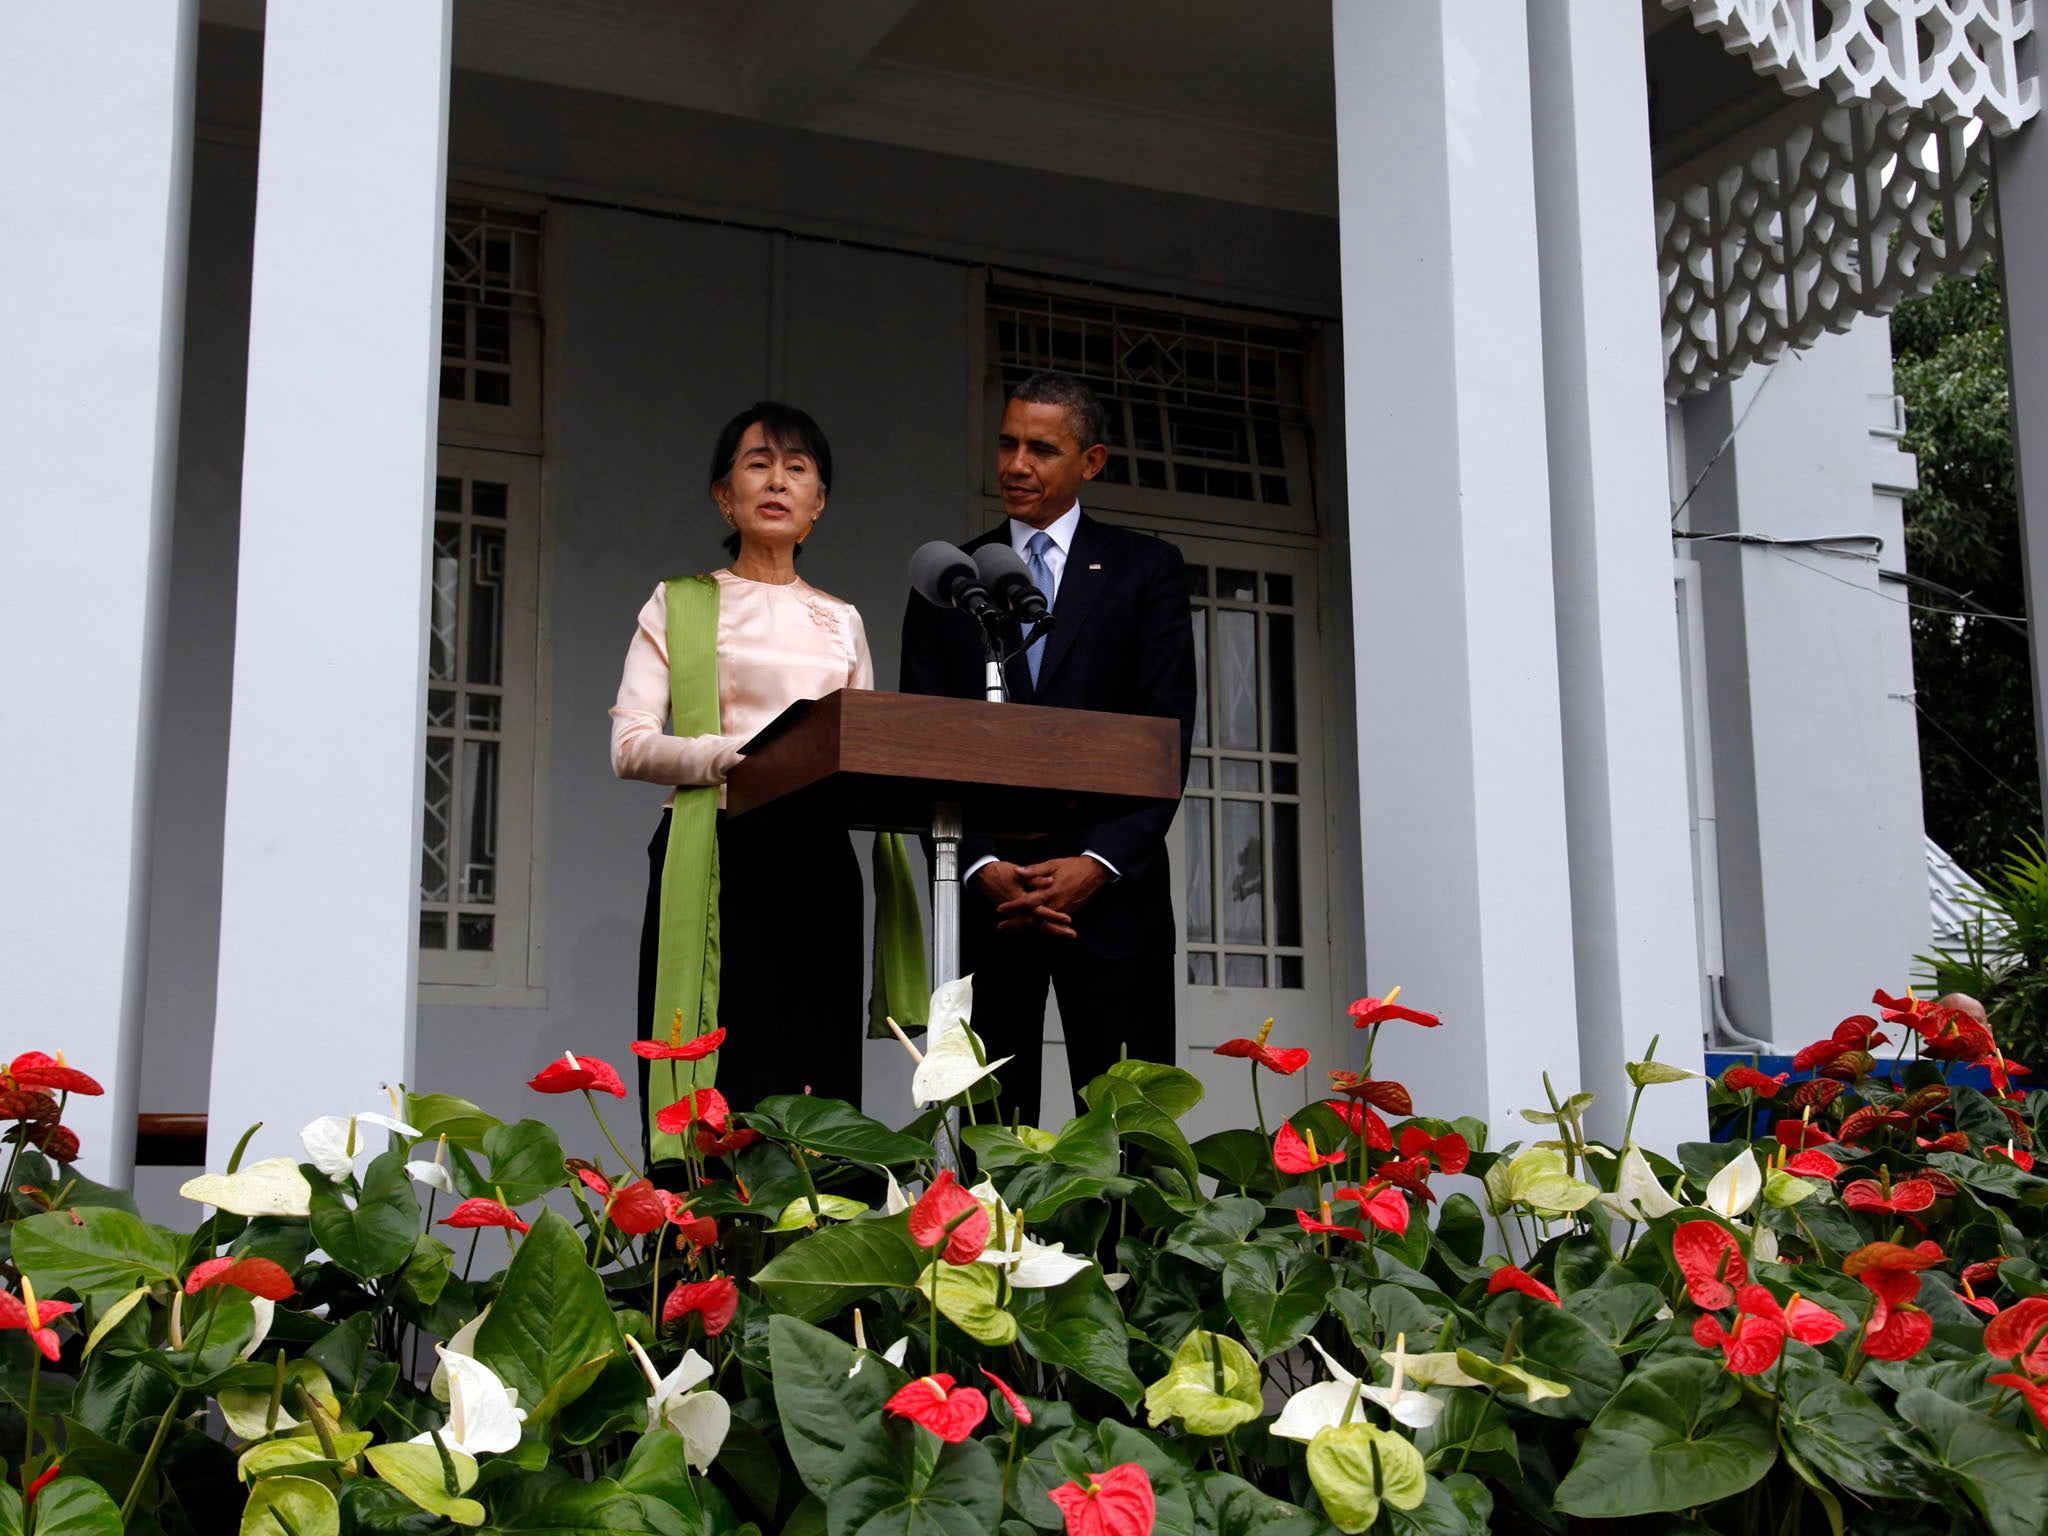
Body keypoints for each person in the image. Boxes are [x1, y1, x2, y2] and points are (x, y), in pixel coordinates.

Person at [899, 371, 1197, 1124]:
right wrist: (982, 863)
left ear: (1090, 462)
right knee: (989, 1140)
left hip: (1113, 897)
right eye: (1007, 443)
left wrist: (1096, 864)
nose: (1016, 465)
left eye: (1041, 448)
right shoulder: (948, 582)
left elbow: (1166, 733)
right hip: (987, 902)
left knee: (1132, 1140)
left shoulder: (1145, 570)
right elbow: (922, 745)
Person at [611, 402, 870, 1168]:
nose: (777, 481)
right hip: (717, 850)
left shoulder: (842, 620)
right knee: (717, 1058)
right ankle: (704, 1251)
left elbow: (860, 745)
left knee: (814, 1064)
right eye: (758, 464)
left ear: (818, 503)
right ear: (725, 494)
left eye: (797, 468)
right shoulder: (680, 601)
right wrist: (736, 759)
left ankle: (810, 1249)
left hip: (818, 861)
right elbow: (630, 746)